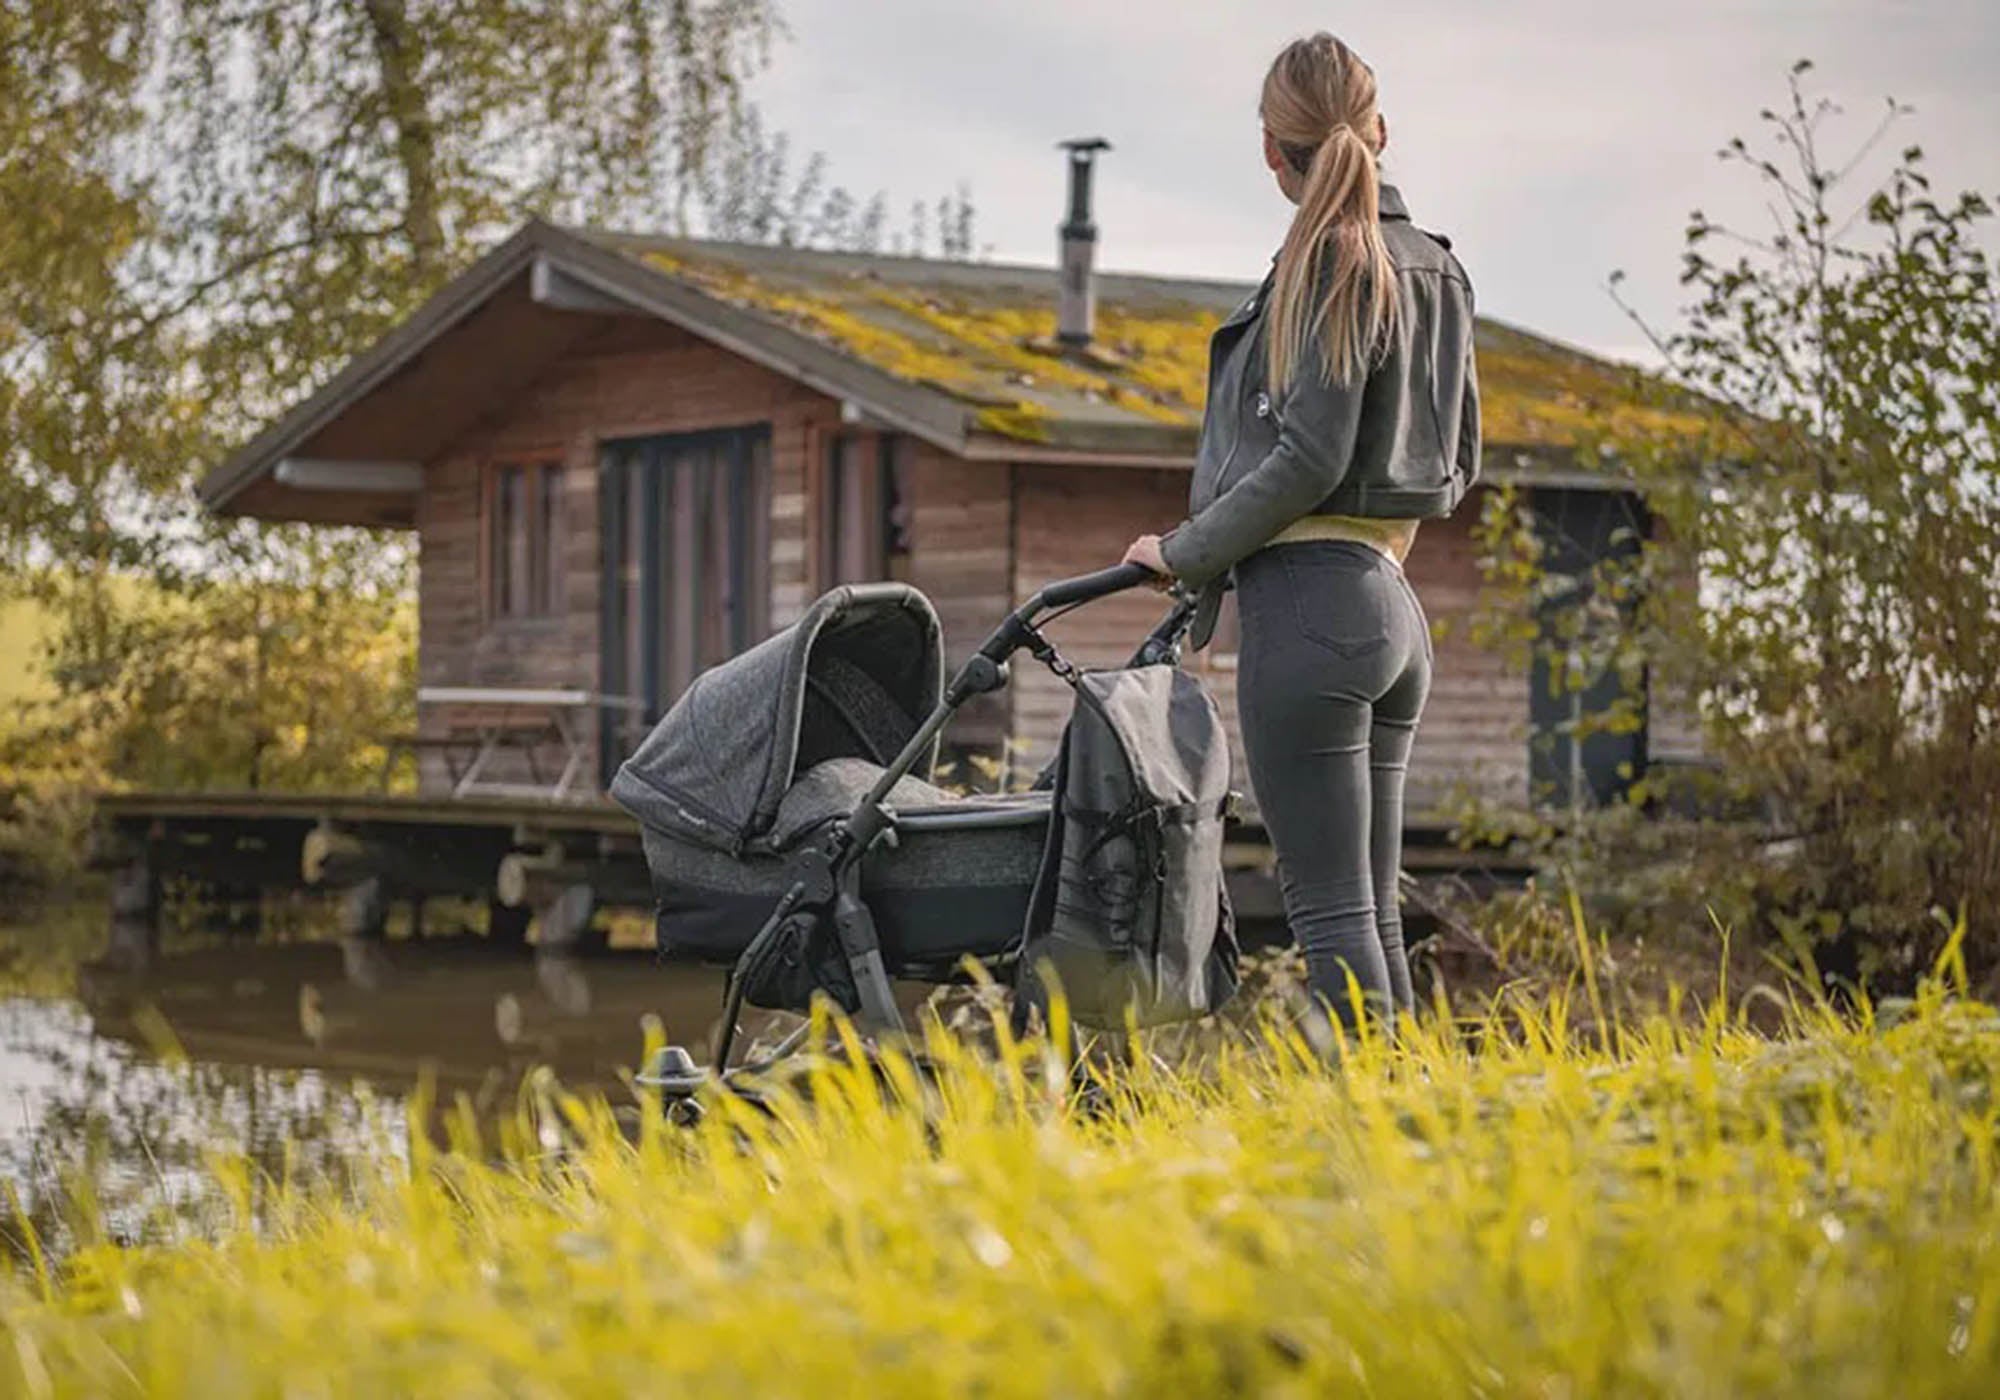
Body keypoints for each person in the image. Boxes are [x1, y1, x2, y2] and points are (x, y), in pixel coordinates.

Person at [1123, 32, 1480, 1035]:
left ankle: (1368, 1134)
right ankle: (1404, 1116)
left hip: (1309, 615)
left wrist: (1182, 549)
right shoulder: (1438, 271)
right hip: (1391, 606)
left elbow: (1307, 457)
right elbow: (1457, 458)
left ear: (1273, 156)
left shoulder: (1327, 262)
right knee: (1366, 911)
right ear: (1379, 131)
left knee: (1329, 912)